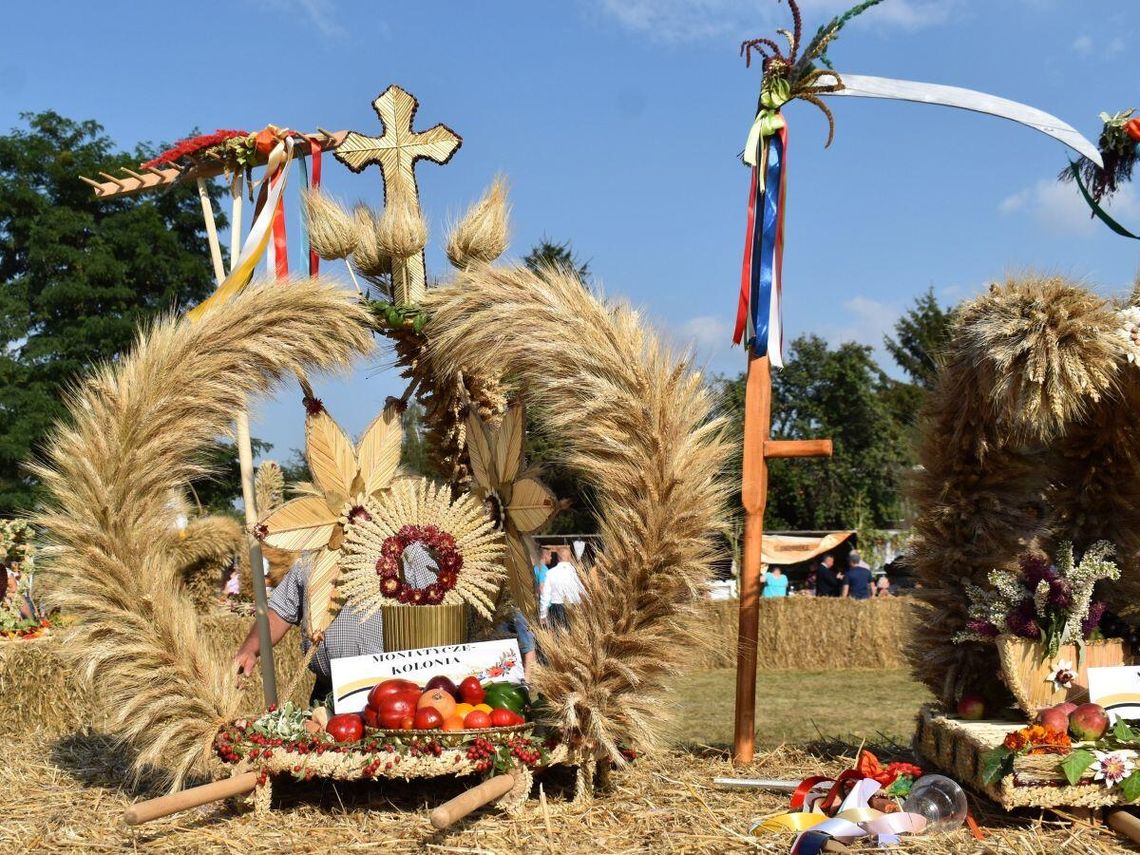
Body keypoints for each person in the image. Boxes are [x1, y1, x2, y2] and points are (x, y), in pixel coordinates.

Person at [234, 552, 385, 705]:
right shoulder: (313, 555)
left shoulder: (396, 553)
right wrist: (250, 649)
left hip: (384, 691)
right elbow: (280, 611)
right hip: (326, 692)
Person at [539, 550, 585, 629]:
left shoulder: (550, 573)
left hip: (557, 608)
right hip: (574, 607)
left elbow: (545, 595)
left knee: (560, 634)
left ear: (558, 558)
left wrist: (543, 614)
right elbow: (582, 591)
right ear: (569, 557)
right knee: (575, 633)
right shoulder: (574, 572)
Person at [497, 608, 538, 682]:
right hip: (499, 612)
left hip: (512, 609)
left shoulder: (515, 613)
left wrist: (526, 678)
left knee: (527, 644)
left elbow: (529, 647)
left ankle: (527, 679)